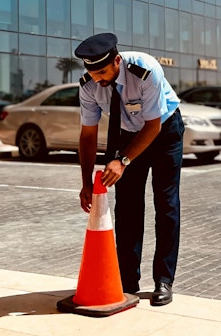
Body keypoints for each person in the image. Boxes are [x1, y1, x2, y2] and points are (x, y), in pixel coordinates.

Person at [75, 32, 184, 306]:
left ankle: (163, 280)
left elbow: (153, 126)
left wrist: (122, 161)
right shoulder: (89, 85)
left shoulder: (145, 70)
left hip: (164, 132)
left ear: (117, 61)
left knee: (166, 203)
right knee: (127, 208)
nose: (98, 79)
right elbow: (87, 136)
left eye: (102, 72)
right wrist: (86, 182)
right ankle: (127, 282)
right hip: (127, 135)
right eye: (93, 73)